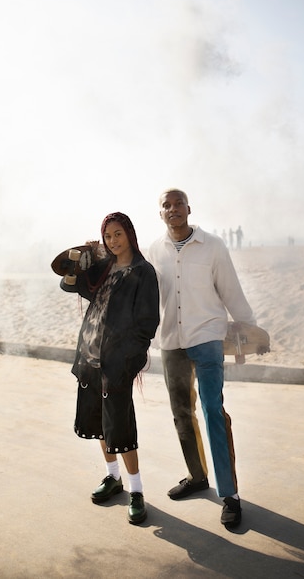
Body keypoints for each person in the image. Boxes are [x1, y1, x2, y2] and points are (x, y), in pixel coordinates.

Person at [148, 189, 256, 529]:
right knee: (181, 413)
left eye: (178, 203)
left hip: (208, 337)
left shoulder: (212, 246)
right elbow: (149, 296)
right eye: (166, 205)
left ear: (189, 209)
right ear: (161, 214)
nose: (173, 209)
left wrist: (248, 331)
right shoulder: (154, 250)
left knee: (212, 412)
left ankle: (230, 495)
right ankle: (197, 477)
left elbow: (231, 289)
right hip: (171, 342)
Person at [59, 212, 159, 525]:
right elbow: (70, 286)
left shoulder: (143, 271)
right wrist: (77, 264)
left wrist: (130, 360)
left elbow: (147, 323)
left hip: (117, 362)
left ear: (129, 233)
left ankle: (137, 491)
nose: (113, 241)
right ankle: (112, 477)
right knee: (99, 423)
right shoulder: (104, 268)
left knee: (121, 426)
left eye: (118, 234)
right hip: (89, 356)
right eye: (108, 236)